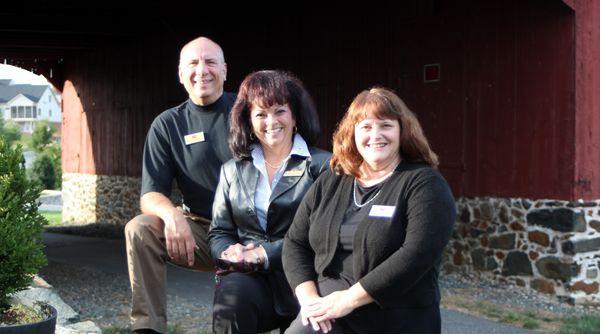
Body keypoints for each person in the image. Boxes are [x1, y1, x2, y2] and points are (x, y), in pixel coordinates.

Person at [282, 87, 457, 334]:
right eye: (365, 126)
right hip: (329, 311)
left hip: (394, 316)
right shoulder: (332, 180)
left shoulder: (425, 184)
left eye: (385, 125)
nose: (375, 135)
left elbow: (416, 255)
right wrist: (309, 300)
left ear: (402, 130)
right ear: (352, 133)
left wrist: (348, 299)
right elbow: (295, 242)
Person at [124, 36, 236, 334]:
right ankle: (148, 328)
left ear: (225, 70)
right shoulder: (167, 125)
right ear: (180, 73)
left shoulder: (250, 113)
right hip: (199, 233)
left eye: (211, 62)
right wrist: (173, 216)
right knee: (140, 229)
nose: (202, 70)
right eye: (193, 63)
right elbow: (149, 194)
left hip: (252, 232)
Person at [208, 70, 331, 333]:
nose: (270, 121)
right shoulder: (231, 170)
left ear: (295, 115)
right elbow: (219, 232)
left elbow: (323, 236)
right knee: (231, 295)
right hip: (252, 281)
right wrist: (231, 253)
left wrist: (263, 254)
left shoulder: (324, 167)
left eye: (279, 111)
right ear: (248, 120)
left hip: (309, 279)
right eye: (260, 114)